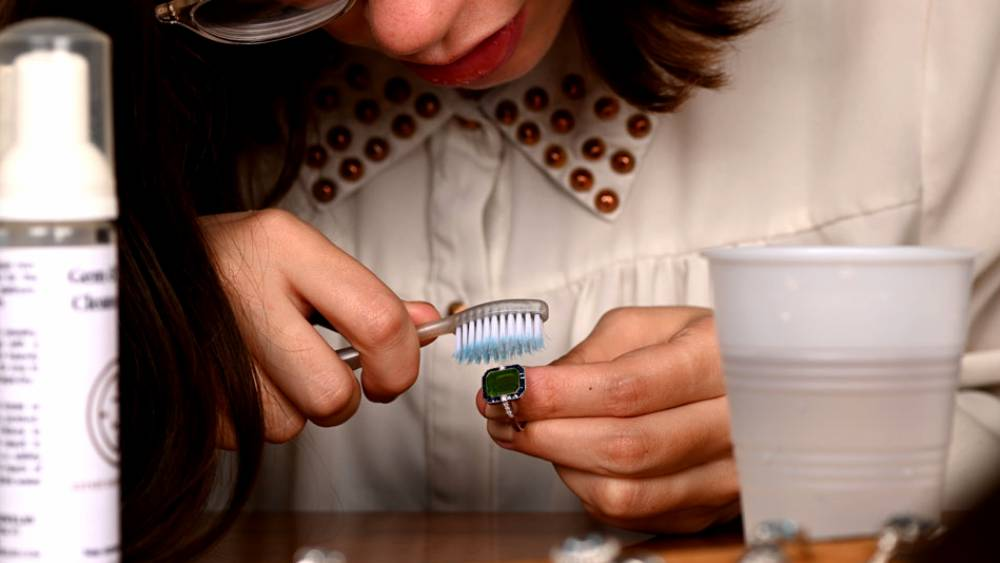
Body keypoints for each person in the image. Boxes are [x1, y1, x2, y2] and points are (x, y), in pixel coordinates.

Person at [4, 1, 999, 561]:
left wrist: (849, 446)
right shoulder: (119, 105)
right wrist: (129, 310)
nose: (411, 28)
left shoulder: (926, 38)